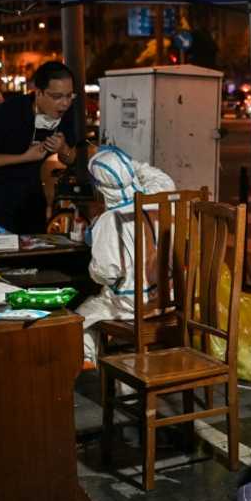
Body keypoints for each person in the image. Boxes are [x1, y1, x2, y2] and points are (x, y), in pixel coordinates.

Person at [76, 145, 175, 366]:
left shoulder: (109, 220)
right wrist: (130, 164)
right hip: (169, 298)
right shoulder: (160, 196)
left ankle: (113, 371)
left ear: (100, 187)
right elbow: (158, 176)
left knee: (79, 320)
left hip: (131, 305)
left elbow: (106, 273)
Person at [0, 61, 79, 234]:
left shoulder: (65, 113)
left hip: (30, 200)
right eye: (57, 97)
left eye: (69, 96)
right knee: (1, 259)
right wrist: (24, 157)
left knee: (33, 256)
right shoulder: (10, 112)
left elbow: (71, 158)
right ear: (38, 93)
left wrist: (63, 148)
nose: (64, 103)